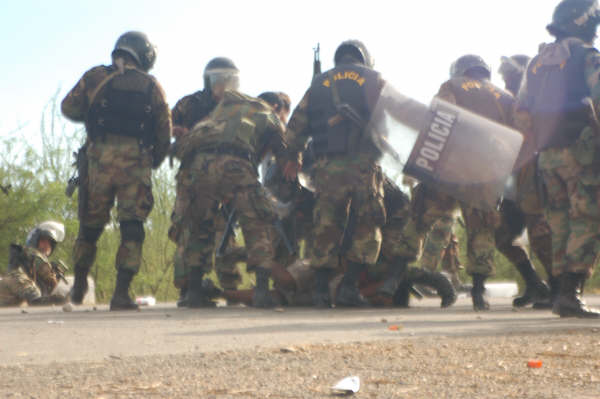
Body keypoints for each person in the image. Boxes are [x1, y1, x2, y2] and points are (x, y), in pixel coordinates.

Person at [61, 31, 171, 311]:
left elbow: (69, 107)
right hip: (135, 165)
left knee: (90, 225)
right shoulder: (151, 85)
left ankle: (80, 280)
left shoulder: (95, 77)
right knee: (132, 227)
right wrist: (151, 162)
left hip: (98, 160)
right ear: (144, 56)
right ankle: (121, 293)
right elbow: (163, 133)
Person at [171, 61, 287, 308]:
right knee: (258, 219)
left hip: (194, 168)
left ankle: (193, 291)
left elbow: (180, 144)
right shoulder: (263, 110)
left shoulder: (215, 110)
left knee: (197, 224)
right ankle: (262, 291)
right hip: (233, 164)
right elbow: (284, 146)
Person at [284, 40, 387, 308]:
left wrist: (294, 157)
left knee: (326, 225)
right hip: (363, 166)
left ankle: (320, 291)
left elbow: (295, 127)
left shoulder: (319, 84)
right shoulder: (375, 80)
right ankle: (348, 288)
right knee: (368, 224)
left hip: (327, 167)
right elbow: (388, 126)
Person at [515, 0, 600, 318]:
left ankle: (561, 292)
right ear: (587, 24)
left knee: (559, 221)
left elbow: (521, 113)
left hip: (547, 154)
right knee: (587, 219)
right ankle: (570, 293)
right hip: (581, 152)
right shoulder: (588, 57)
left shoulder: (537, 63)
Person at [168, 58, 242, 307]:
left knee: (226, 231)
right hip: (194, 177)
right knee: (191, 230)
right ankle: (191, 288)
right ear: (209, 82)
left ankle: (231, 288)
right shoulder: (191, 104)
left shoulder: (239, 107)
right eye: (220, 80)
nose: (225, 86)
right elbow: (166, 123)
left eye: (230, 80)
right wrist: (177, 132)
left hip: (228, 177)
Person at [0, 221, 68, 306]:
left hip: (14, 300)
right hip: (12, 288)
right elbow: (48, 277)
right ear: (35, 241)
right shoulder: (33, 253)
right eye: (43, 241)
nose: (46, 245)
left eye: (49, 242)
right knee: (34, 293)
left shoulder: (31, 256)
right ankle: (37, 301)